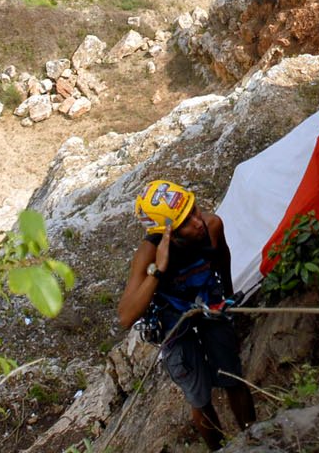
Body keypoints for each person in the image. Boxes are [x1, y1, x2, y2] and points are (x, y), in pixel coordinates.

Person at [118, 179, 257, 450]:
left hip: (209, 303)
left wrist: (228, 301)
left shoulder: (212, 226)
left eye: (194, 209)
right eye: (186, 221)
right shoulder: (148, 255)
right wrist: (158, 269)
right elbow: (125, 316)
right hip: (174, 321)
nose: (197, 221)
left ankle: (253, 438)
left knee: (232, 376)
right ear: (167, 233)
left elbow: (222, 258)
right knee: (199, 395)